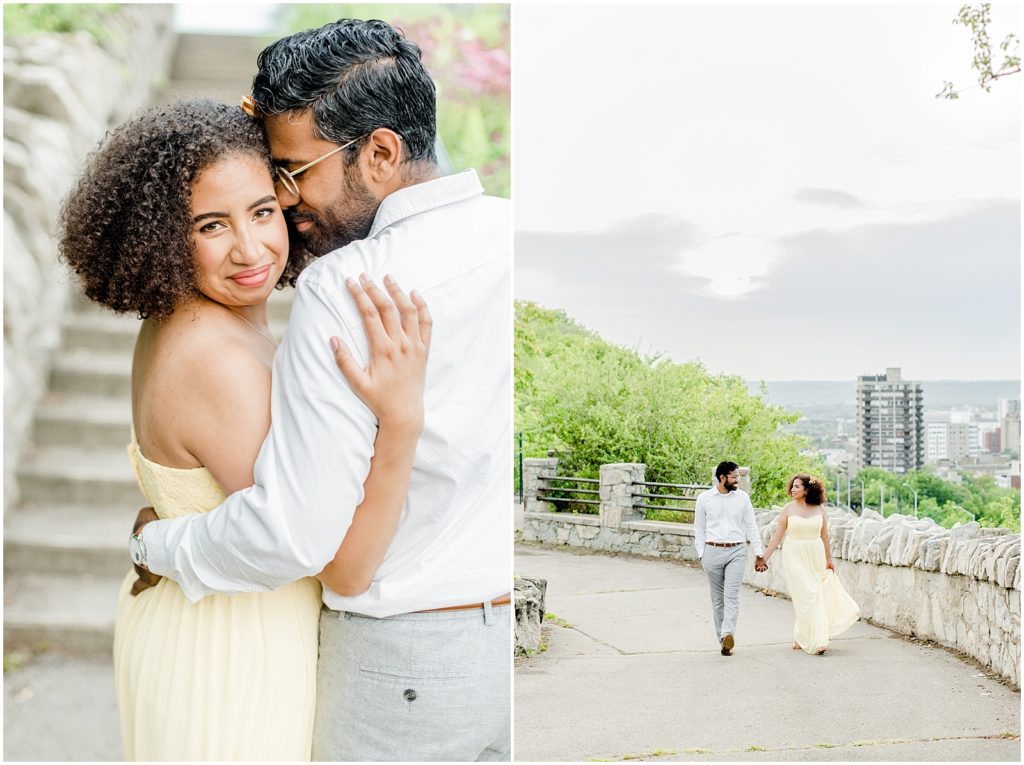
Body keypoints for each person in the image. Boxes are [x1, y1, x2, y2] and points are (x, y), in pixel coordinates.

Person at [129, 19, 511, 761]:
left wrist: (158, 545)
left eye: (292, 173)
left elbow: (296, 535)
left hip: (401, 662)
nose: (285, 197)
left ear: (379, 153)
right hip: (503, 654)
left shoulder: (348, 287)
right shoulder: (513, 237)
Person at [59, 99, 429, 759]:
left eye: (262, 210)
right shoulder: (213, 355)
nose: (250, 248)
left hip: (205, 618)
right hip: (229, 650)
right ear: (165, 235)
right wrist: (400, 417)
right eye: (211, 225)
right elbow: (340, 559)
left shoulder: (205, 317)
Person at [761, 474, 860, 655]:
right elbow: (777, 537)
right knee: (807, 594)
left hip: (815, 554)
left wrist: (829, 560)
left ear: (807, 490)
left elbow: (825, 536)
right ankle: (818, 640)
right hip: (794, 554)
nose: (792, 489)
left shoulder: (819, 509)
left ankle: (801, 635)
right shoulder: (788, 509)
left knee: (813, 595)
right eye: (792, 486)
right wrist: (763, 558)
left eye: (797, 486)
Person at [693, 461, 765, 655]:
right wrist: (702, 554)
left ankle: (728, 633)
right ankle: (723, 640)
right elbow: (699, 528)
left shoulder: (742, 498)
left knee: (731, 595)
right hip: (712, 551)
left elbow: (751, 526)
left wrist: (759, 554)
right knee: (717, 599)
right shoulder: (704, 498)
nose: (737, 480)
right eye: (734, 477)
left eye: (738, 477)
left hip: (736, 551)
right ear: (722, 477)